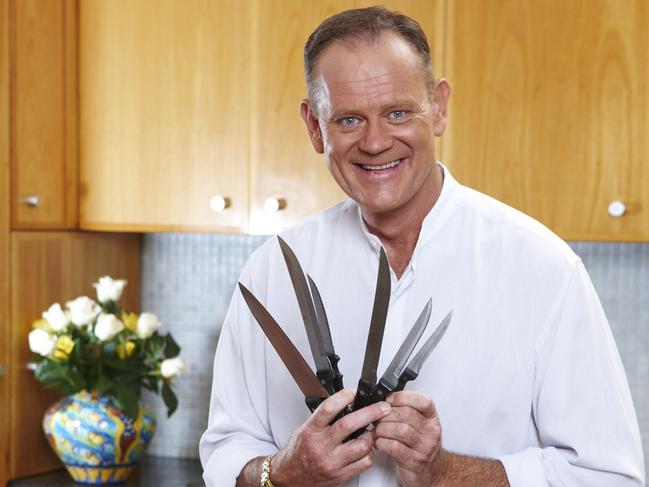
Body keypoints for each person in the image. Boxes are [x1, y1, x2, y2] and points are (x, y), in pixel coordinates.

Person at [200, 7, 645, 486]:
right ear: (314, 127)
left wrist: (446, 472)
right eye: (348, 119)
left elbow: (608, 477)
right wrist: (283, 472)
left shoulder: (545, 269)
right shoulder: (271, 272)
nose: (375, 142)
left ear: (438, 107)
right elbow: (227, 452)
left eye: (397, 112)